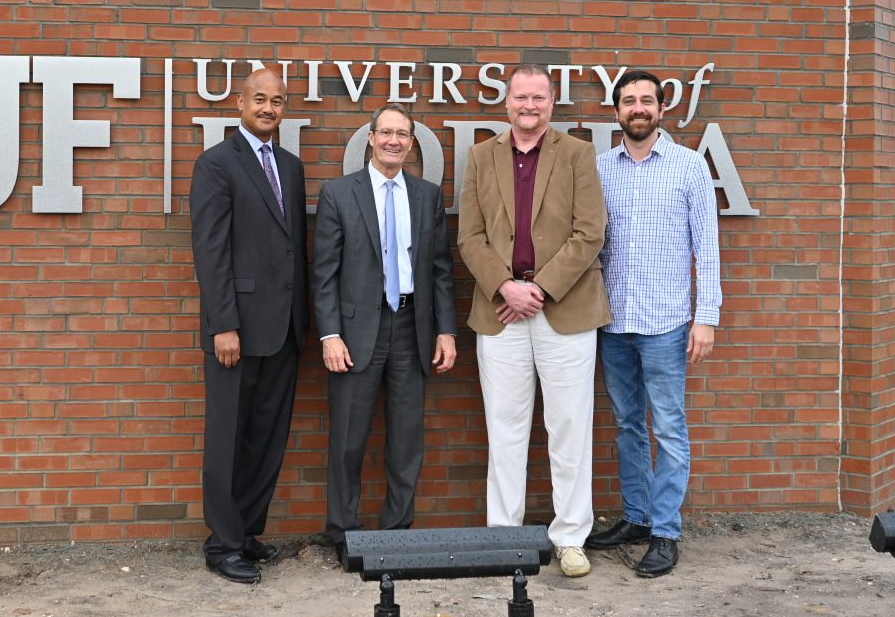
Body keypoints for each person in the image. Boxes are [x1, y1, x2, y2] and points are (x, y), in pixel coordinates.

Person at [457, 65, 610, 578]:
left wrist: (538, 290)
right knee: (504, 429)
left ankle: (569, 538)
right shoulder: (480, 157)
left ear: (551, 103)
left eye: (538, 98)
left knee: (569, 428)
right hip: (501, 311)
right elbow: (469, 237)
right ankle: (505, 538)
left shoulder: (578, 155)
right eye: (521, 97)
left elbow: (590, 233)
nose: (529, 106)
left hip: (563, 309)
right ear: (507, 104)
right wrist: (506, 287)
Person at [586, 69, 721, 578]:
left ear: (662, 110)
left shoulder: (689, 168)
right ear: (616, 110)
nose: (637, 108)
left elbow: (706, 250)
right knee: (626, 424)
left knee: (667, 426)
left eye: (647, 100)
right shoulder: (599, 169)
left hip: (666, 322)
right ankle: (638, 517)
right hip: (613, 321)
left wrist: (705, 318)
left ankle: (666, 531)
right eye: (628, 101)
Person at [313, 104, 458, 563]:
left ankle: (396, 534)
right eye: (386, 132)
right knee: (349, 439)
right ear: (370, 138)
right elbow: (324, 274)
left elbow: (440, 271)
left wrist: (446, 331)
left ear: (412, 144)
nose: (394, 140)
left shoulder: (427, 195)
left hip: (412, 326)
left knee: (406, 439)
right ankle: (344, 534)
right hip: (357, 332)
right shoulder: (338, 193)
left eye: (403, 134)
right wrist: (329, 334)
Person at [189, 67, 309, 585]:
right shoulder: (216, 163)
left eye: (277, 101)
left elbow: (292, 247)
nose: (268, 108)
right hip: (236, 329)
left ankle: (247, 530)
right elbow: (210, 250)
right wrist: (222, 325)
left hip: (284, 328)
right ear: (240, 103)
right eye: (259, 99)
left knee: (267, 435)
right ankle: (222, 544)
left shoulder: (291, 165)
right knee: (229, 436)